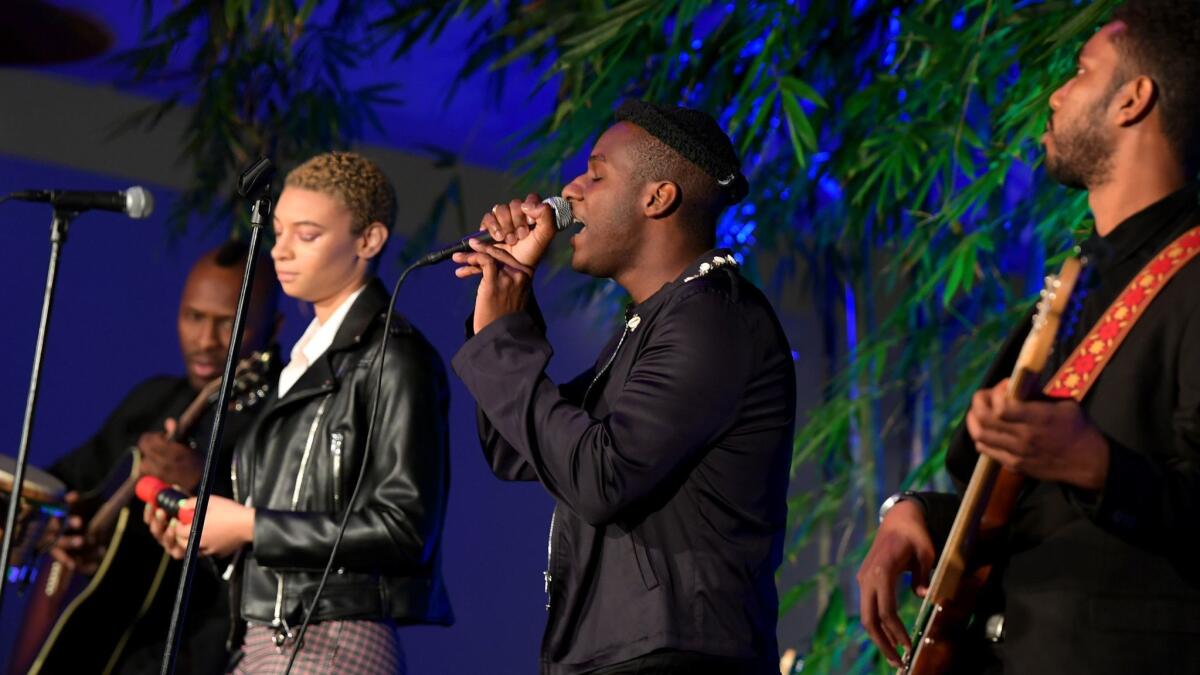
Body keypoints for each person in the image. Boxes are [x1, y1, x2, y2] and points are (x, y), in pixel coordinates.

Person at [857, 2, 1200, 673]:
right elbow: (1020, 500)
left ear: (1133, 98)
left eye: (1079, 72)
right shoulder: (1077, 284)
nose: (1055, 94)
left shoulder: (1191, 276)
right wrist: (915, 513)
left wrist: (1095, 464)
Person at [451, 101, 796, 674]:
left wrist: (503, 342)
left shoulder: (713, 320)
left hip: (677, 656)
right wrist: (509, 308)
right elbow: (517, 449)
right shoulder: (656, 323)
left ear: (656, 197)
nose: (571, 190)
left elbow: (600, 478)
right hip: (614, 654)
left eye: (595, 173)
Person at [147, 151, 454, 674]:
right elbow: (287, 524)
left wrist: (246, 525)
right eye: (279, 231)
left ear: (368, 240)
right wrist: (211, 533)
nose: (281, 251)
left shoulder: (393, 356)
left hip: (330, 638)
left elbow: (405, 528)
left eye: (306, 235)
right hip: (272, 637)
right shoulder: (303, 361)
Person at [28, 241, 278, 675]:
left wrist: (203, 483)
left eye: (228, 324)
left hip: (193, 653)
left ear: (271, 330)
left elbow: (275, 550)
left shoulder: (278, 421)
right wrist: (64, 528)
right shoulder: (154, 399)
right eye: (193, 317)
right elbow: (60, 481)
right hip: (99, 639)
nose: (205, 341)